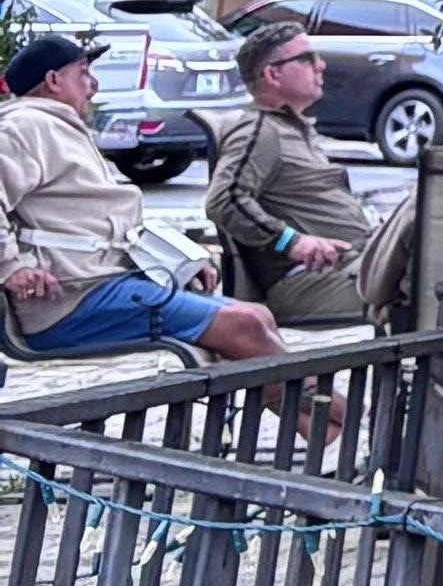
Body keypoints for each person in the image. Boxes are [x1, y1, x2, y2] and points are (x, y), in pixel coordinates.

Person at [0, 29, 285, 367]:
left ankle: (321, 415)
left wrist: (180, 260)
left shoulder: (58, 126)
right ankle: (334, 413)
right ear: (52, 80)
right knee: (246, 326)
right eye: (83, 73)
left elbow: (108, 224)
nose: (94, 86)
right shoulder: (25, 126)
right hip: (75, 300)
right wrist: (11, 267)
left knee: (258, 317)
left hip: (107, 285)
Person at [202, 22, 379, 327]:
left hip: (353, 267)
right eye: (307, 58)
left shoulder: (290, 129)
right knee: (429, 276)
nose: (320, 65)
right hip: (314, 282)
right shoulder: (260, 129)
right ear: (272, 74)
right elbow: (224, 199)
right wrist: (290, 241)